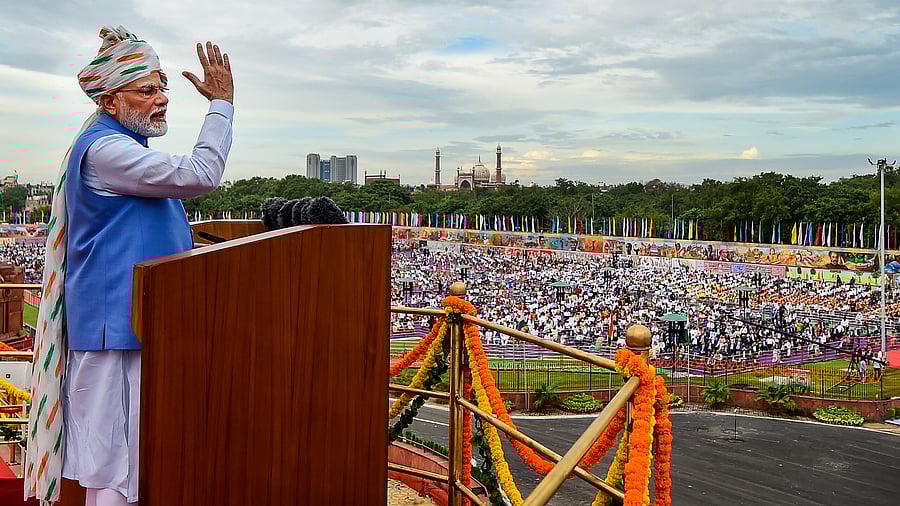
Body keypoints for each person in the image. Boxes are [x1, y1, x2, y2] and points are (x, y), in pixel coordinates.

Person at [25, 25, 234, 506]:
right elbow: (200, 175)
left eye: (162, 86)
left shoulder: (122, 149)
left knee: (131, 463)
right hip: (116, 332)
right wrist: (220, 105)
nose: (162, 98)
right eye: (147, 89)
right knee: (115, 469)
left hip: (136, 327)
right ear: (111, 101)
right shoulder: (105, 151)